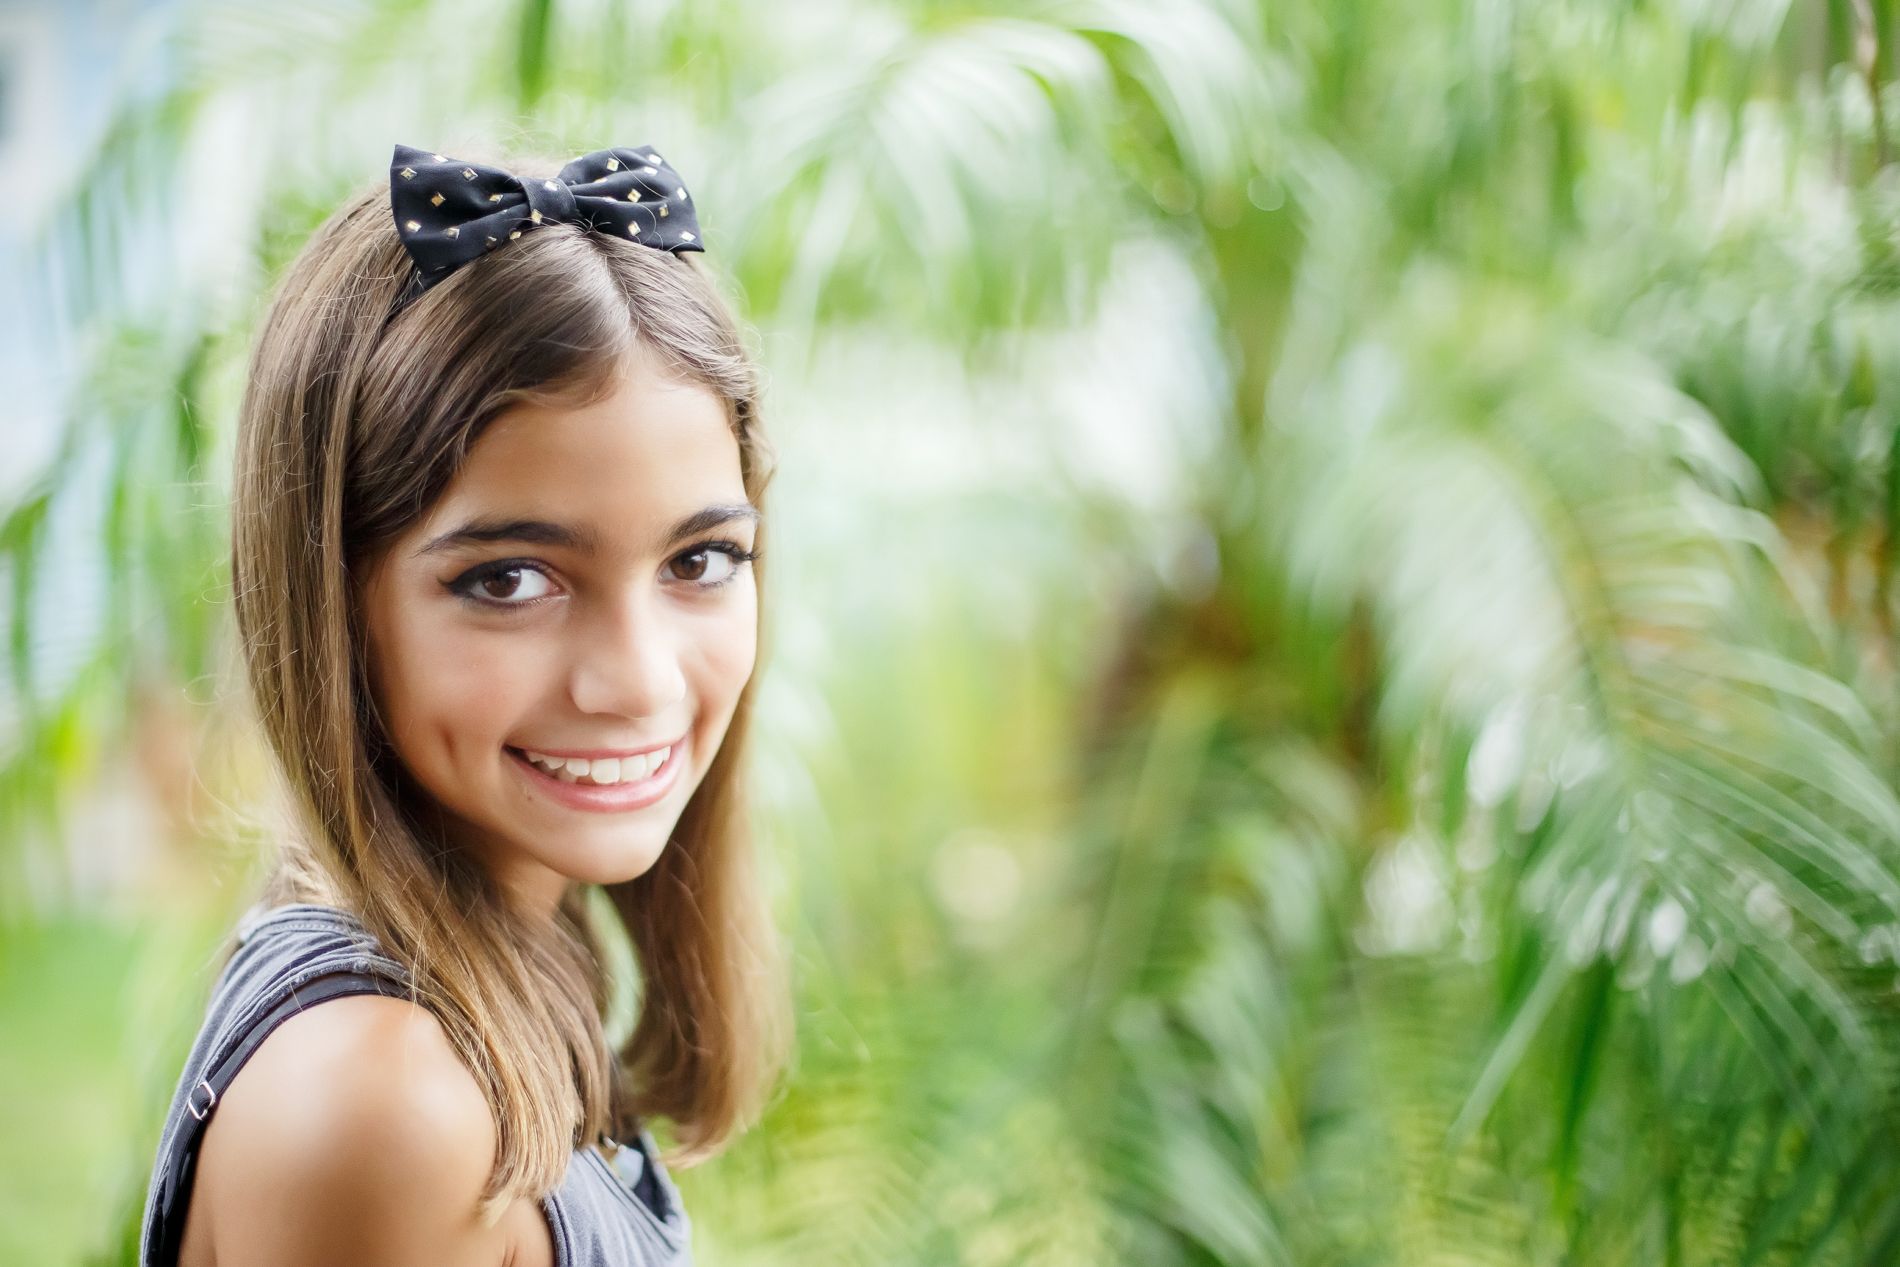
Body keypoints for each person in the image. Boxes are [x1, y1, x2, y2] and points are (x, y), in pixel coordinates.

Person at [136, 141, 793, 1267]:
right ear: (332, 603)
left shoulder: (506, 961)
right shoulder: (385, 1104)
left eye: (699, 561)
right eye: (509, 581)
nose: (634, 678)